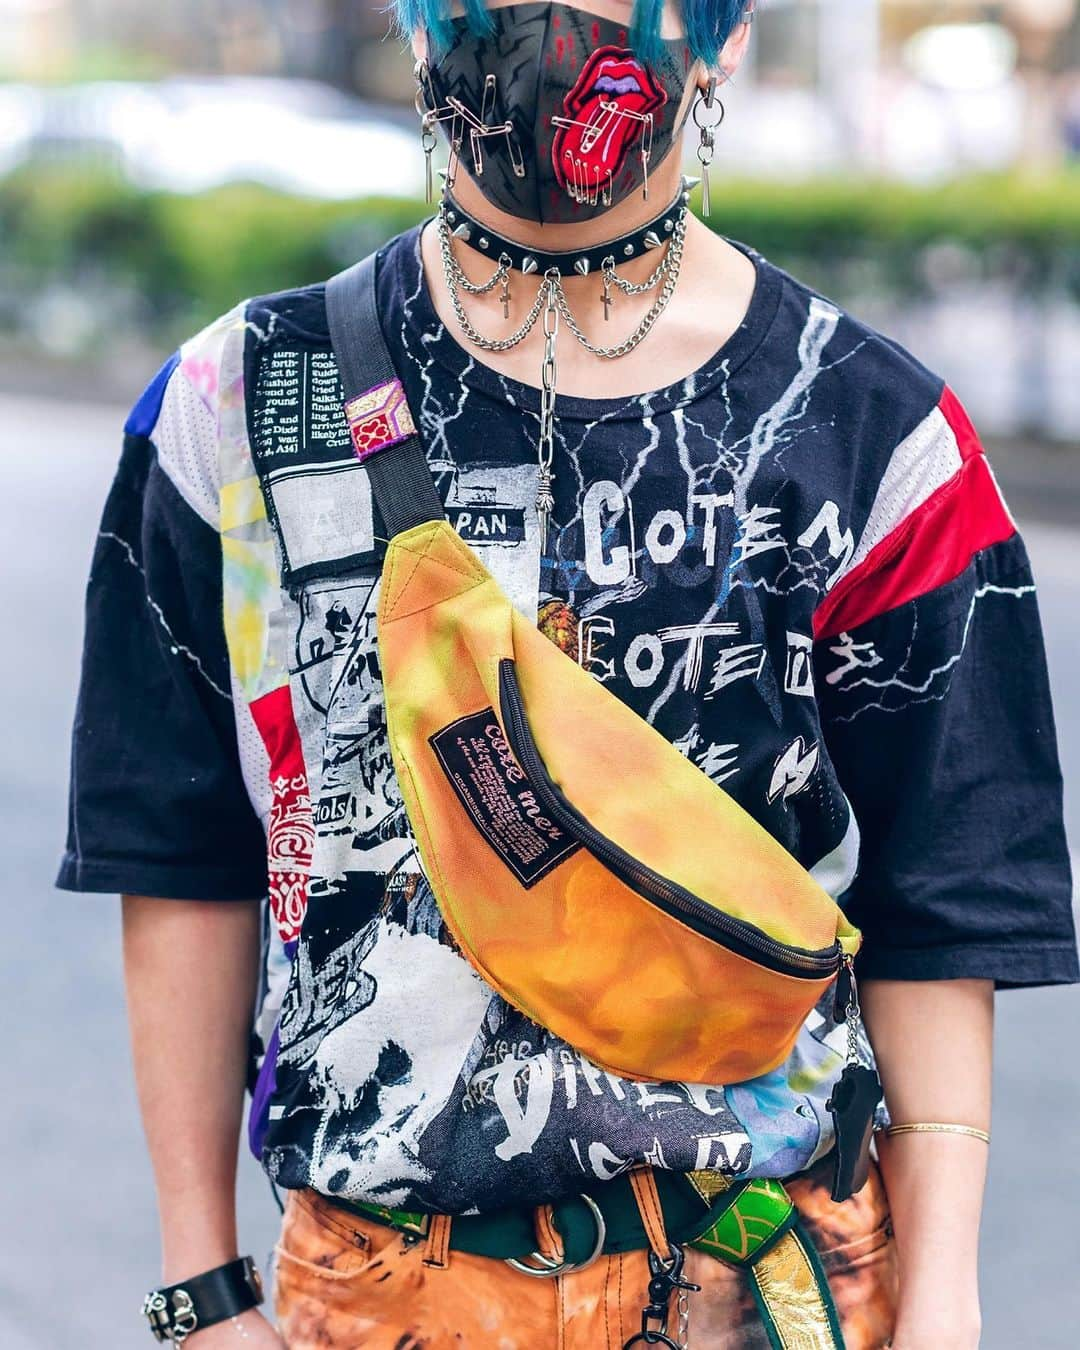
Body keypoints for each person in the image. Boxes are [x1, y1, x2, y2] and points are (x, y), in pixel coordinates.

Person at [57, 2, 1078, 1347]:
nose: (545, 27)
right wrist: (201, 1289)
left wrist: (944, 1294)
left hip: (767, 1282)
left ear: (716, 39)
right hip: (381, 1294)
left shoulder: (880, 436)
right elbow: (177, 852)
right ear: (409, 24)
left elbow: (943, 903)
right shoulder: (234, 407)